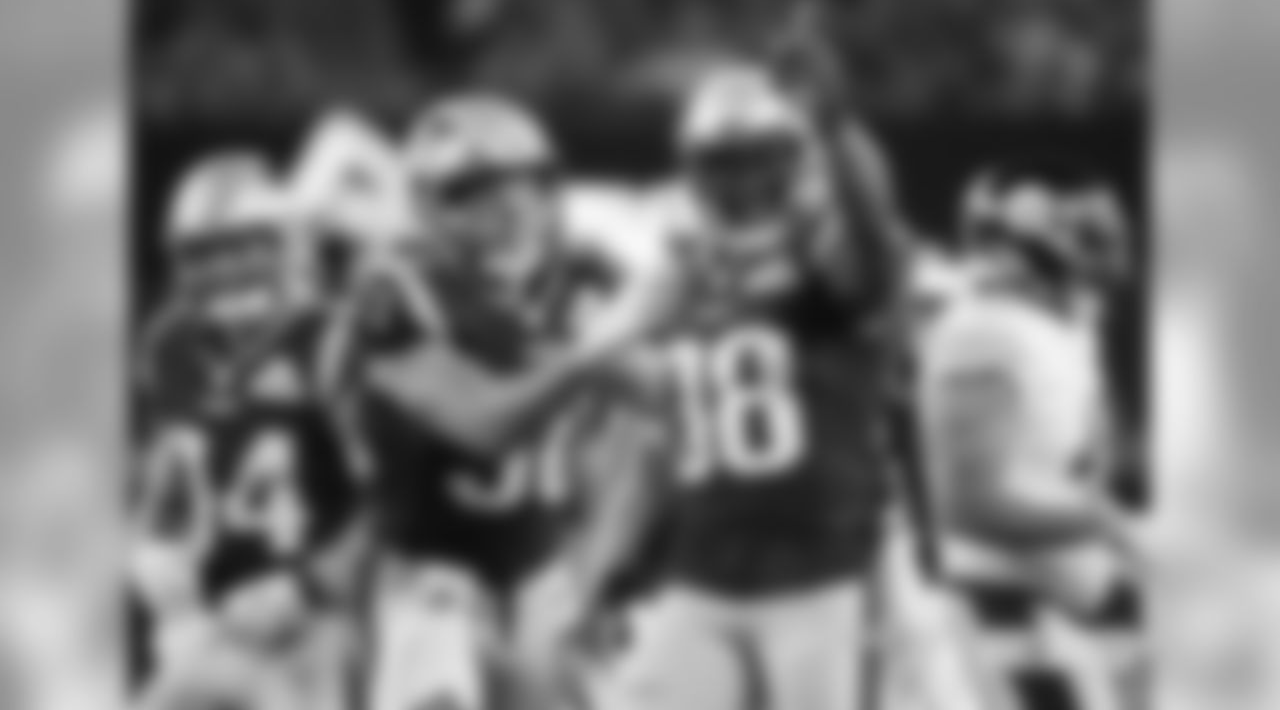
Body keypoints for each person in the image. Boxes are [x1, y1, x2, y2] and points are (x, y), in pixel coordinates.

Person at [321, 93, 677, 710]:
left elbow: (656, 429)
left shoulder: (583, 278)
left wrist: (599, 569)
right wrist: (590, 357)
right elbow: (480, 422)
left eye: (525, 185)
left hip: (543, 566)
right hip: (424, 566)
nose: (508, 210)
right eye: (472, 193)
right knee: (436, 666)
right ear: (425, 206)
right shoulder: (394, 288)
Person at [604, 63, 910, 710]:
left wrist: (838, 128)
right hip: (701, 576)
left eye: (759, 161)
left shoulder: (829, 270)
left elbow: (874, 241)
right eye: (724, 164)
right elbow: (651, 431)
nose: (743, 183)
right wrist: (613, 564)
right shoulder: (676, 277)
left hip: (821, 574)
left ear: (798, 163)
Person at [131, 152, 367, 710]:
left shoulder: (332, 339)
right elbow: (169, 477)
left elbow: (398, 500)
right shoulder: (170, 348)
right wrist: (154, 559)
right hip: (212, 617)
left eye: (244, 247)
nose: (224, 270)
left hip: (323, 615)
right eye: (202, 254)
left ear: (286, 246)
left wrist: (312, 585)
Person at [916, 159, 1140, 710]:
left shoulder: (1062, 320)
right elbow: (968, 504)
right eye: (1086, 229)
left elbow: (1087, 465)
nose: (1108, 247)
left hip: (1038, 563)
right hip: (982, 578)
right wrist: (1109, 525)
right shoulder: (984, 328)